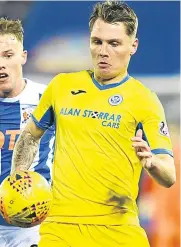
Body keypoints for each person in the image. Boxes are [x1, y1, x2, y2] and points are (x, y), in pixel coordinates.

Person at [11, 1, 176, 247]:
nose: (103, 51)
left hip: (118, 230)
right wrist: (18, 181)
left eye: (114, 44)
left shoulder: (145, 100)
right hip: (60, 229)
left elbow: (169, 175)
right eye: (97, 41)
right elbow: (30, 136)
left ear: (133, 46)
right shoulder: (61, 86)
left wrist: (151, 164)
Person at [0, 18, 55, 247]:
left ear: (23, 56)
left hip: (34, 228)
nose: (0, 64)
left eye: (8, 55)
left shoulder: (48, 100)